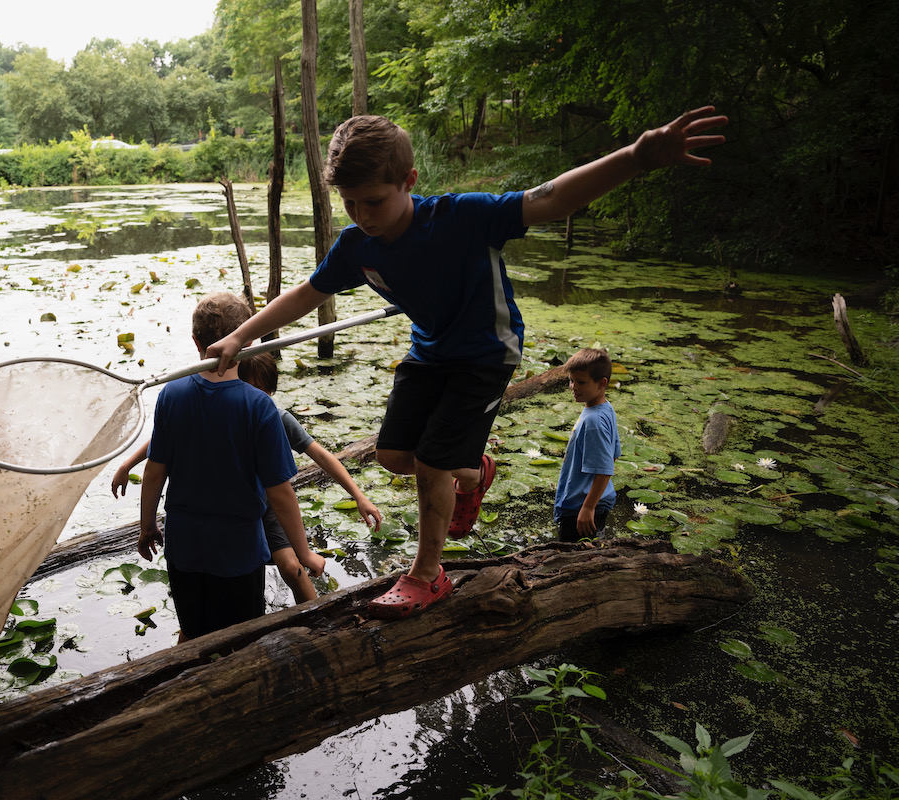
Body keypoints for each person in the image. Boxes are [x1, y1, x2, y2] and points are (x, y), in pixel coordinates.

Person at [205, 106, 726, 619]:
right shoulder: (356, 243)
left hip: (485, 351)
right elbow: (307, 293)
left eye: (373, 202)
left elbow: (553, 197)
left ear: (408, 181)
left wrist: (636, 156)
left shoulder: (462, 217)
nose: (362, 216)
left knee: (432, 462)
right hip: (430, 349)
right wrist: (242, 336)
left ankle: (428, 576)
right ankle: (475, 471)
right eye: (349, 204)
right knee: (391, 454)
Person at [113, 352, 381, 605]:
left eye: (263, 392)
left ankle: (316, 616)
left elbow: (323, 457)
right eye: (251, 389)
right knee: (215, 585)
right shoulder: (225, 409)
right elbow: (162, 436)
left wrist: (359, 496)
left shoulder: (275, 417)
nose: (257, 397)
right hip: (234, 507)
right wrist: (128, 464)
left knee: (291, 567)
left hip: (266, 504)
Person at [136, 292, 326, 641]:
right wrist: (304, 552)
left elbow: (154, 470)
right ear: (249, 341)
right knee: (242, 640)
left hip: (185, 546)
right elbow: (280, 493)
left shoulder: (171, 395)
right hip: (239, 551)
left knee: (195, 635)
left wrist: (147, 525)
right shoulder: (259, 407)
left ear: (195, 340)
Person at [554, 348, 621, 542]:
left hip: (582, 506)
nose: (573, 387)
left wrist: (588, 507)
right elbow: (613, 455)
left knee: (572, 559)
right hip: (594, 501)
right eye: (571, 380)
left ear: (602, 383)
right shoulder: (605, 409)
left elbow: (605, 468)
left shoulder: (594, 422)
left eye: (581, 382)